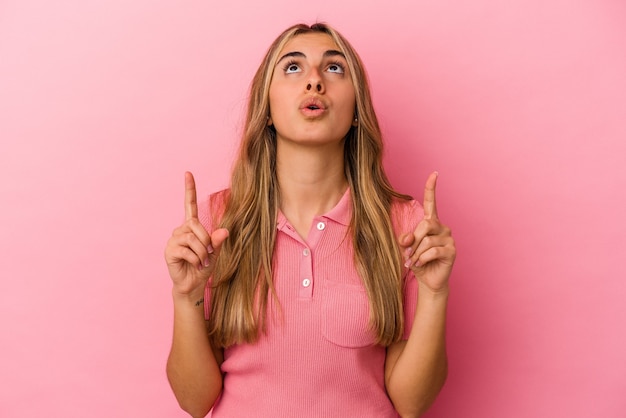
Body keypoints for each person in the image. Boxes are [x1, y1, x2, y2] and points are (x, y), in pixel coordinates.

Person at [164, 22, 456, 418]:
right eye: (293, 68)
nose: (315, 81)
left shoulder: (405, 226)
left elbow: (411, 402)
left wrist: (435, 294)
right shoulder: (219, 223)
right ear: (265, 110)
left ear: (356, 111)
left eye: (334, 68)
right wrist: (186, 297)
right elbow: (195, 401)